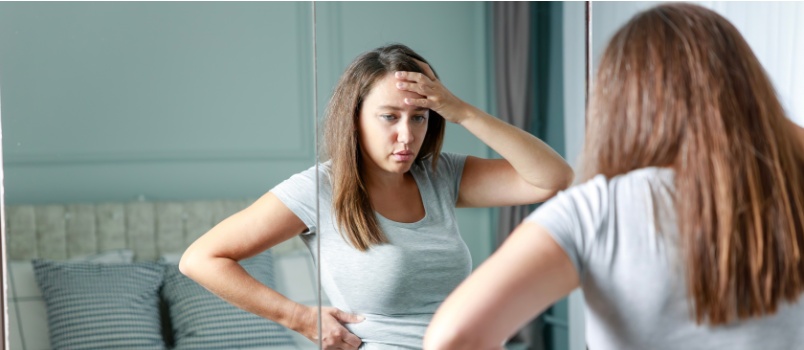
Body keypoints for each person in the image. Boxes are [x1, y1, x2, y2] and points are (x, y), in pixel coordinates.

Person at [424, 3, 804, 350]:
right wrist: (746, 112)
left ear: (621, 103)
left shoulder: (598, 210)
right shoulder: (791, 194)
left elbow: (453, 336)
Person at [180, 43, 574, 349]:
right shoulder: (318, 188)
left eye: (418, 117)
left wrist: (463, 112)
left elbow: (552, 179)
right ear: (355, 118)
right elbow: (201, 258)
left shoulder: (440, 175)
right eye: (389, 117)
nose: (407, 135)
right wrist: (297, 317)